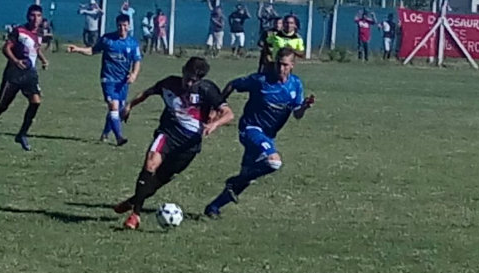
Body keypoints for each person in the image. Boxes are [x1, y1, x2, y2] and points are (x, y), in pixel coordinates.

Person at [114, 57, 234, 229]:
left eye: (194, 80)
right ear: (183, 71)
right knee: (150, 163)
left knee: (155, 183)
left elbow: (229, 114)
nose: (189, 82)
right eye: (188, 77)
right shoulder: (169, 83)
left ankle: (133, 201)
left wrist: (214, 124)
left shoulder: (207, 89)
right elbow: (147, 93)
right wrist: (129, 105)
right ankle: (135, 215)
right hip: (168, 134)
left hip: (189, 146)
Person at [204, 47, 314, 217]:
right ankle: (234, 181)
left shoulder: (296, 85)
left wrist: (305, 106)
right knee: (274, 162)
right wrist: (218, 107)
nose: (281, 68)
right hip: (250, 129)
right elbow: (233, 84)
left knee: (246, 177)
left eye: (285, 65)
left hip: (268, 135)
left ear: (292, 65)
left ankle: (213, 207)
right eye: (278, 64)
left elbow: (297, 114)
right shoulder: (261, 80)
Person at [0, 5, 49, 151]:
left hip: (30, 74)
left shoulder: (39, 33)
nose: (35, 18)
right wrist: (16, 61)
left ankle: (22, 134)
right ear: (27, 16)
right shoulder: (19, 31)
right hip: (14, 74)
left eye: (38, 15)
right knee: (3, 105)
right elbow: (6, 48)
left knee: (36, 102)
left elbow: (35, 48)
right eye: (32, 15)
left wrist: (43, 59)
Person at [67, 13, 141, 145]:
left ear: (129, 26)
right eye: (119, 25)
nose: (122, 28)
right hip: (108, 78)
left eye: (124, 25)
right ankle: (119, 138)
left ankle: (106, 133)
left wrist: (134, 74)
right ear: (116, 25)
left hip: (123, 81)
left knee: (118, 109)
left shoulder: (133, 43)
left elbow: (137, 61)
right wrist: (78, 49)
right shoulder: (107, 39)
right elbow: (92, 51)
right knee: (113, 105)